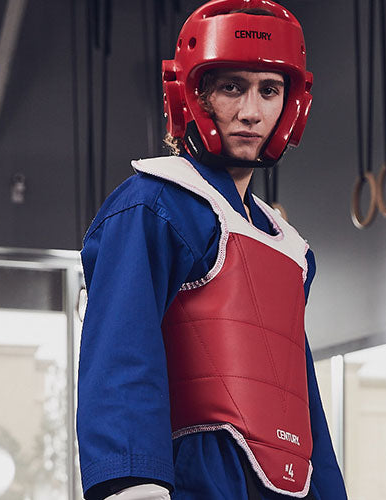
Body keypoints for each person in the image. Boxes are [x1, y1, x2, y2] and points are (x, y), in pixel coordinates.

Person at [76, 1, 347, 499]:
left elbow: (300, 400)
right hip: (196, 480)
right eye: (231, 87)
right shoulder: (153, 204)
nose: (251, 111)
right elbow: (121, 356)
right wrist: (134, 486)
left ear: (291, 104)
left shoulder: (288, 247)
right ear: (192, 97)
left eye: (269, 90)